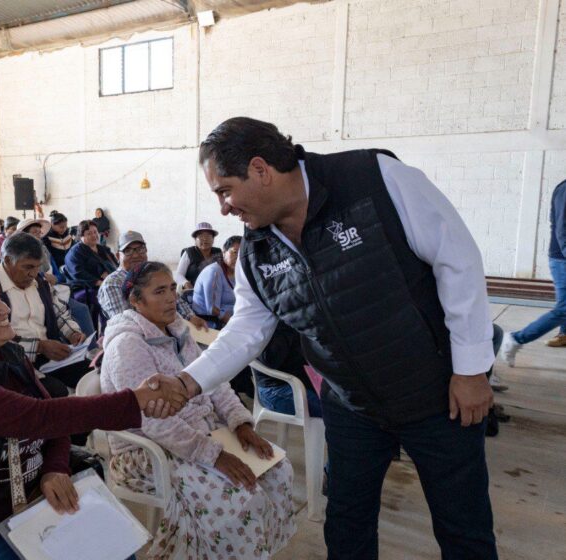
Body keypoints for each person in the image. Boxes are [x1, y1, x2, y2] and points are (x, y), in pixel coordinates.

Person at [167, 117, 498, 558]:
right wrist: (185, 383)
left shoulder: (375, 180)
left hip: (436, 396)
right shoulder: (256, 250)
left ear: (261, 170)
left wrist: (472, 370)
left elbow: (457, 260)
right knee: (346, 524)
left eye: (224, 190)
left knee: (464, 529)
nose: (223, 208)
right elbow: (246, 329)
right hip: (351, 406)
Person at [0, 268, 186, 559]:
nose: (5, 308)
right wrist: (137, 399)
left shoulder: (8, 354)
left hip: (32, 507)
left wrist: (54, 468)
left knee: (116, 548)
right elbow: (41, 416)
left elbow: (53, 424)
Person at [100, 262, 296, 559]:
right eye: (159, 291)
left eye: (172, 289)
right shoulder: (127, 345)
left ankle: (260, 552)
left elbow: (213, 382)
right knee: (240, 494)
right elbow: (154, 423)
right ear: (136, 301)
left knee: (278, 471)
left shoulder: (178, 330)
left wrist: (240, 423)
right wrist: (213, 455)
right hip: (147, 450)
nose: (171, 298)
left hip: (199, 433)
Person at [0, 233, 89, 389]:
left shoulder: (40, 282)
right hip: (12, 360)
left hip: (48, 353)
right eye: (28, 267)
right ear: (7, 261)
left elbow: (59, 312)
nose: (33, 274)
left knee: (92, 371)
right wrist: (39, 346)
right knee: (56, 391)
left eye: (38, 266)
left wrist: (72, 333)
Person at [501, 178, 566, 364]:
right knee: (564, 309)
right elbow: (563, 230)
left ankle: (564, 334)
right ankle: (515, 339)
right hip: (562, 259)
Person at [98, 230, 207, 330]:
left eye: (140, 249)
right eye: (128, 251)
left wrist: (191, 316)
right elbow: (124, 323)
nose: (136, 255)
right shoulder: (113, 283)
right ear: (118, 256)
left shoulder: (153, 274)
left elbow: (176, 299)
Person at [191, 235, 241, 327]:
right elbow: (213, 310)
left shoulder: (239, 272)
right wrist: (238, 325)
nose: (238, 257)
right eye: (235, 252)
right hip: (210, 324)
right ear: (224, 252)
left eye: (242, 254)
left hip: (233, 318)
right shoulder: (214, 272)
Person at [64, 220, 118, 290]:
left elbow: (115, 264)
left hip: (110, 281)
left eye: (95, 232)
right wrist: (101, 283)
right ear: (81, 236)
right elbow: (79, 274)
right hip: (89, 288)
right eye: (89, 234)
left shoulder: (103, 249)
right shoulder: (74, 254)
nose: (94, 235)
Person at [174, 222, 222, 291]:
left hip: (214, 290)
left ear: (213, 239)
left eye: (208, 236)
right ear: (195, 240)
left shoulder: (218, 252)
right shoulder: (189, 252)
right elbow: (178, 274)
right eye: (201, 236)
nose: (205, 239)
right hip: (193, 289)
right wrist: (186, 283)